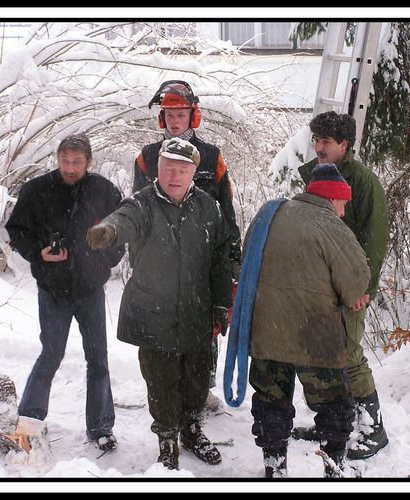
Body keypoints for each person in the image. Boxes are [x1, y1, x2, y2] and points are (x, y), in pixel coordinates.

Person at [87, 137, 232, 471]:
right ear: (159, 170)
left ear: (194, 173)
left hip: (198, 311)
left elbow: (222, 258)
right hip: (155, 314)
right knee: (161, 380)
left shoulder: (209, 207)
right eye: (169, 168)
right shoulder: (143, 203)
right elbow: (123, 220)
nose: (175, 176)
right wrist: (108, 232)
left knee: (196, 380)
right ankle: (167, 438)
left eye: (183, 170)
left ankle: (192, 430)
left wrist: (222, 305)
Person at [241, 164, 370, 477]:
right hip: (316, 336)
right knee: (334, 407)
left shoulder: (268, 215)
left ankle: (275, 467)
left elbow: (246, 259)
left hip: (266, 335)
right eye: (342, 204)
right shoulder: (331, 225)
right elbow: (356, 283)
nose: (342, 212)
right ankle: (334, 468)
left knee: (271, 402)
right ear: (331, 198)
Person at [4, 133, 125, 453]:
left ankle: (101, 427)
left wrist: (103, 260)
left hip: (89, 290)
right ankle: (28, 422)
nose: (70, 168)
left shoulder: (104, 191)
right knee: (51, 355)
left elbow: (123, 232)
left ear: (89, 161)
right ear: (57, 159)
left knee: (98, 358)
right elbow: (15, 229)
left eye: (77, 162)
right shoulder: (37, 190)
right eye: (65, 161)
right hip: (53, 289)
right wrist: (38, 253)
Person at [133, 80, 242, 410]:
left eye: (181, 114)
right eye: (169, 114)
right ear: (161, 119)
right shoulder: (147, 158)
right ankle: (168, 392)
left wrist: (232, 262)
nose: (174, 120)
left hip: (204, 259)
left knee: (206, 330)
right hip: (161, 262)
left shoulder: (212, 157)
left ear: (193, 116)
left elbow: (227, 214)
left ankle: (199, 391)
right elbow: (136, 213)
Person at [292, 111, 390, 460]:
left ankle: (374, 428)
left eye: (326, 142)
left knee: (347, 354)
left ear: (344, 146)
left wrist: (363, 289)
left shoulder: (362, 183)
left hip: (350, 288)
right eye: (316, 140)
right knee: (321, 354)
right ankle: (334, 420)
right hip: (319, 284)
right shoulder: (315, 177)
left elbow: (374, 241)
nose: (318, 147)